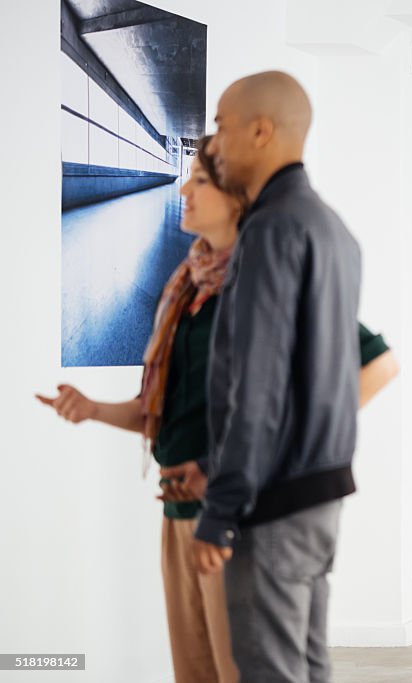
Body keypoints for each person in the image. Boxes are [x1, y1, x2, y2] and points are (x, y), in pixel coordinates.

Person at [36, 136, 242, 683]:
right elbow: (162, 409)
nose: (184, 188)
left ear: (237, 196)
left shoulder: (257, 291)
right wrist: (92, 409)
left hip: (230, 514)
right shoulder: (186, 291)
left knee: (239, 670)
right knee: (194, 672)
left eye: (199, 180)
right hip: (177, 508)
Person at [195, 71, 361, 683]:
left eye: (220, 126)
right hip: (320, 495)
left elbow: (257, 387)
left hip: (274, 500)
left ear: (261, 131)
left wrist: (222, 505)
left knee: (271, 672)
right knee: (308, 668)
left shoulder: (271, 230)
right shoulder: (332, 228)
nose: (213, 144)